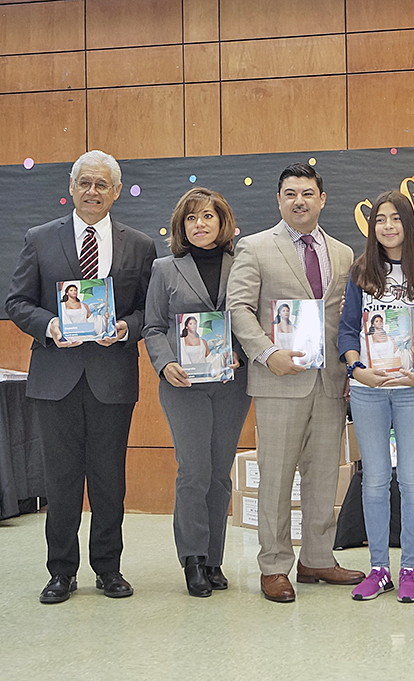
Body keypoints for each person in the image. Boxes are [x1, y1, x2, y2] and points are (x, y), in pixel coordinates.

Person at [5, 150, 157, 604]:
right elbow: (17, 302)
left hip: (112, 378)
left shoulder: (140, 245)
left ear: (115, 191)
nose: (93, 192)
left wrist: (127, 328)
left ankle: (108, 569)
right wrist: (51, 327)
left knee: (110, 478)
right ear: (71, 189)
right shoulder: (40, 238)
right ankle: (61, 572)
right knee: (62, 479)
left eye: (102, 184)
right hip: (55, 378)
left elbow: (149, 308)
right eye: (85, 183)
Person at [227, 162, 364, 603]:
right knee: (277, 478)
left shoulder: (343, 253)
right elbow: (239, 308)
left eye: (307, 193)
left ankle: (318, 558)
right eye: (290, 194)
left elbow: (345, 318)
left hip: (329, 381)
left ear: (322, 199)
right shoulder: (255, 247)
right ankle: (274, 565)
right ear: (279, 200)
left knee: (323, 476)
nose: (299, 201)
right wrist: (268, 353)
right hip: (278, 381)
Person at [338, 190, 414, 604]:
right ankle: (379, 568)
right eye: (379, 219)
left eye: (395, 219)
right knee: (375, 480)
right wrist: (356, 369)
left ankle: (410, 570)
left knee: (413, 480)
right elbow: (348, 330)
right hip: (368, 392)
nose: (387, 226)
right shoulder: (361, 272)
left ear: (408, 224)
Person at [143, 188, 252, 598]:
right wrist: (164, 362)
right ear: (181, 226)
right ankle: (191, 558)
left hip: (231, 385)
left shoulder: (242, 263)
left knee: (220, 474)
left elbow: (250, 317)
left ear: (223, 222)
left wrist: (240, 353)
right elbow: (152, 326)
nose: (200, 224)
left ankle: (213, 558)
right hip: (183, 385)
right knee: (193, 472)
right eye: (191, 218)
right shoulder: (165, 268)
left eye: (208, 216)